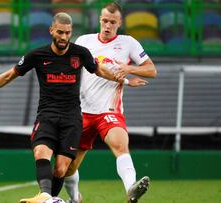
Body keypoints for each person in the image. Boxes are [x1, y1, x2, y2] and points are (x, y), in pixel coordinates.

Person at [0, 12, 141, 203]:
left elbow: (99, 70)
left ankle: (52, 198)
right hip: (47, 115)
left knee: (62, 168)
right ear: (51, 31)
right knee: (41, 152)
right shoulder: (37, 55)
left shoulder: (80, 53)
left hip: (72, 118)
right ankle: (47, 197)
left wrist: (126, 82)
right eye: (60, 32)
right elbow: (8, 75)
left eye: (68, 33)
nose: (64, 37)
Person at [63, 2, 157, 203]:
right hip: (81, 112)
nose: (107, 26)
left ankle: (131, 190)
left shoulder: (129, 43)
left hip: (110, 111)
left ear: (119, 23)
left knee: (120, 145)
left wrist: (129, 68)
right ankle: (75, 198)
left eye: (112, 22)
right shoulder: (83, 41)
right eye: (105, 21)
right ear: (99, 19)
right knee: (69, 166)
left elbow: (151, 70)